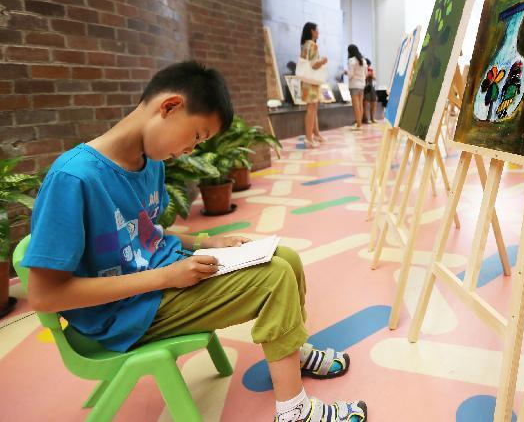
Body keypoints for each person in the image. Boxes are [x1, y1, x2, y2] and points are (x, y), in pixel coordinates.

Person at [21, 61, 366, 422]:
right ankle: (294, 412)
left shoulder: (149, 161)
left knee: (287, 258)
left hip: (161, 283)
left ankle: (294, 352)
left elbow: (144, 235)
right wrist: (165, 277)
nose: (191, 149)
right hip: (125, 314)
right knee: (274, 278)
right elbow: (45, 296)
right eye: (197, 135)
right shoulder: (73, 178)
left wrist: (207, 242)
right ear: (169, 107)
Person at [300, 22, 328, 147]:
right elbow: (313, 64)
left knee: (313, 108)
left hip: (306, 81)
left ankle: (316, 134)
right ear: (312, 31)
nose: (318, 32)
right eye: (317, 29)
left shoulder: (305, 45)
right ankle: (309, 138)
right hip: (312, 82)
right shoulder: (313, 45)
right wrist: (322, 61)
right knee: (312, 109)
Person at [345, 45, 366, 131]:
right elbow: (366, 73)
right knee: (360, 105)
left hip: (354, 85)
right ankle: (359, 123)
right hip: (362, 84)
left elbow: (350, 74)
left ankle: (359, 125)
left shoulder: (351, 60)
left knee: (356, 105)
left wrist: (346, 72)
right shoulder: (363, 60)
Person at [363, 58, 376, 124]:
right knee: (365, 104)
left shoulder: (370, 70)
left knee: (373, 102)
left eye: (368, 65)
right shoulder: (362, 70)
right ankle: (366, 119)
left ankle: (372, 118)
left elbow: (374, 78)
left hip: (371, 87)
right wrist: (366, 75)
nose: (368, 66)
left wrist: (372, 75)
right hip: (364, 88)